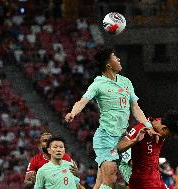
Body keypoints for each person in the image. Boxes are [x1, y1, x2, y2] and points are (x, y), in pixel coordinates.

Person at [65, 48, 156, 189]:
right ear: (108, 64)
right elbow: (82, 101)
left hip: (123, 138)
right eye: (115, 57)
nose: (119, 60)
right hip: (106, 138)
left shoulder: (126, 82)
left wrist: (149, 126)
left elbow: (135, 108)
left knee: (111, 180)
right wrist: (72, 113)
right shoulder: (98, 84)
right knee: (111, 176)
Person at [117, 107, 178, 189]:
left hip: (157, 180)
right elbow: (119, 147)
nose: (171, 137)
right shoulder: (141, 129)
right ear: (164, 129)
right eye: (171, 135)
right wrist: (135, 140)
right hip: (142, 182)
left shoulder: (162, 123)